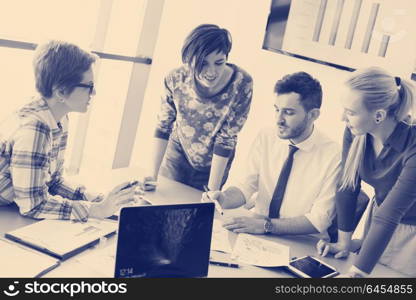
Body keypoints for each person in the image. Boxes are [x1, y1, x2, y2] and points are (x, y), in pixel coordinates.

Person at [0, 40, 137, 221]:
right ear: (61, 92)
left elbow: (53, 182)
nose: (93, 93)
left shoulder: (59, 116)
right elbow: (33, 205)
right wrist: (95, 210)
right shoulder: (34, 128)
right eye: (89, 86)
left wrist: (99, 200)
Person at [203, 72, 341, 237]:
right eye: (277, 110)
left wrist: (266, 226)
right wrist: (224, 199)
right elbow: (245, 186)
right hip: (257, 233)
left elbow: (319, 219)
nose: (278, 120)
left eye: (288, 113)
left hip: (302, 241)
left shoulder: (334, 155)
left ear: (313, 115)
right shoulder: (266, 136)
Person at [316, 67, 416, 277]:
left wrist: (358, 273)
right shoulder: (356, 132)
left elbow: (391, 214)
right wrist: (343, 241)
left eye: (350, 112)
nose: (343, 117)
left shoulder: (412, 143)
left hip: (410, 232)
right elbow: (347, 186)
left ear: (379, 115)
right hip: (380, 220)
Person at [142, 24, 253, 192]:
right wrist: (152, 175)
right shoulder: (175, 78)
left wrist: (212, 191)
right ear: (189, 60)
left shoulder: (242, 83)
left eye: (219, 63)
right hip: (177, 154)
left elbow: (226, 138)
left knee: (199, 211)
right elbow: (164, 125)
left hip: (215, 163)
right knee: (163, 205)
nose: (211, 72)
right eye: (203, 63)